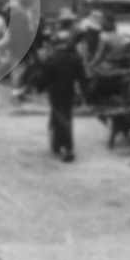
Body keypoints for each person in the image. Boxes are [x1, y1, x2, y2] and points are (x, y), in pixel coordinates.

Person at [38, 27, 89, 162]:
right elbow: (82, 78)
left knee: (60, 117)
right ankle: (58, 144)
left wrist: (39, 87)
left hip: (55, 92)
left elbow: (43, 78)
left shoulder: (51, 59)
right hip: (69, 91)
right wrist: (85, 92)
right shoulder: (76, 59)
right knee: (64, 116)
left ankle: (66, 148)